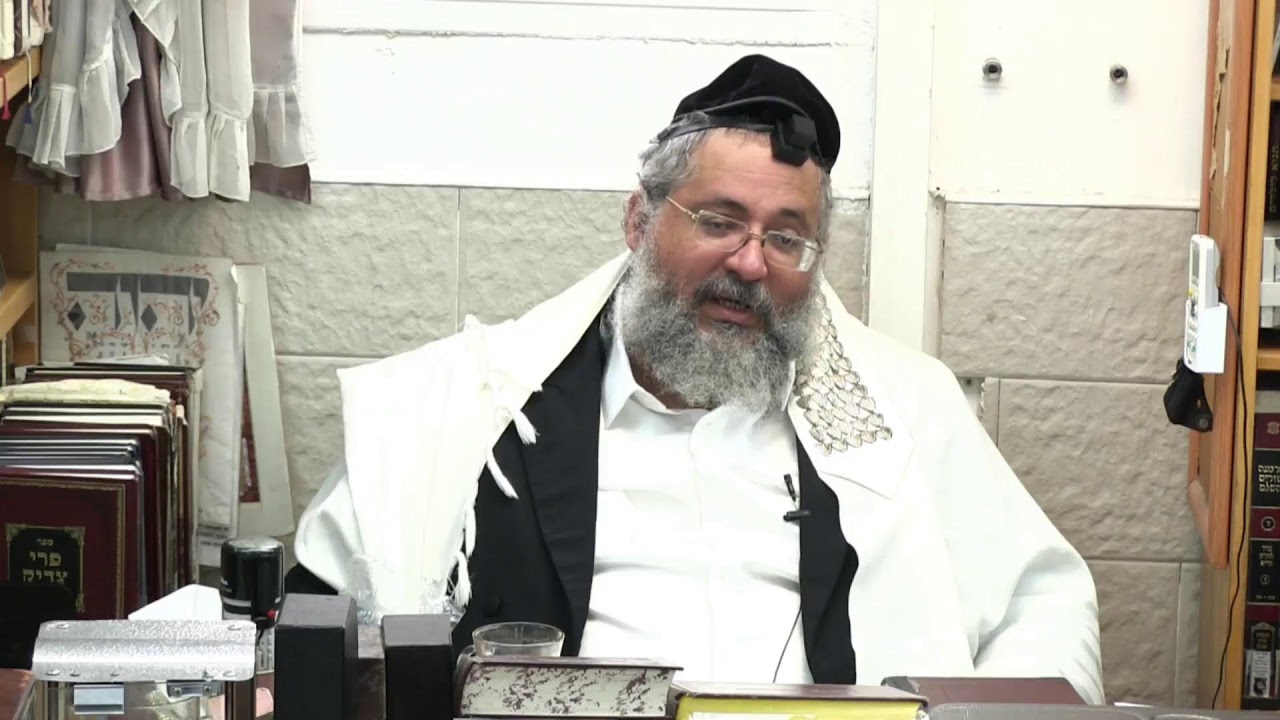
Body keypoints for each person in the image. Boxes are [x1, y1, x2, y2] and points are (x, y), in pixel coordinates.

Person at [287, 54, 1104, 703]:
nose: (749, 263)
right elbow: (318, 613)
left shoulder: (904, 411)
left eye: (786, 238)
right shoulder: (475, 408)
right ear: (639, 220)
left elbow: (1045, 603)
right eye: (719, 221)